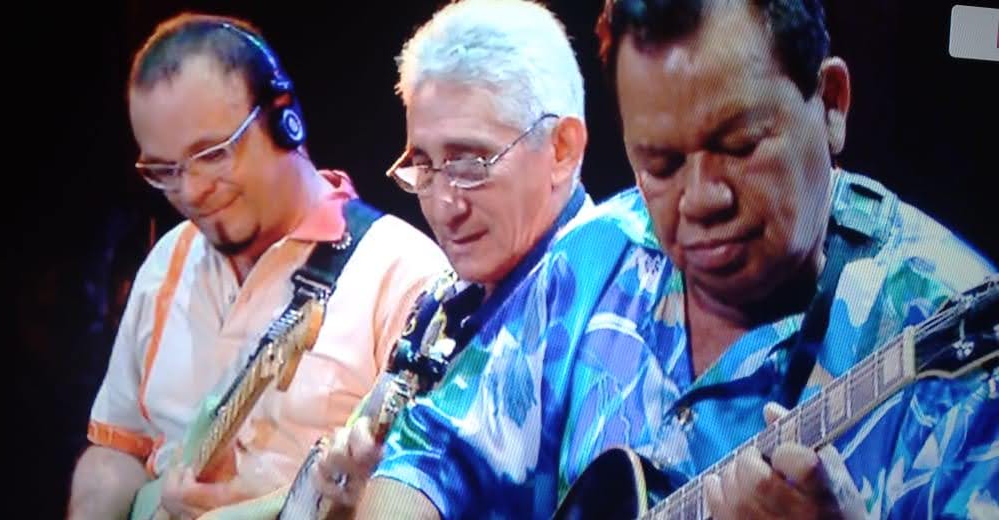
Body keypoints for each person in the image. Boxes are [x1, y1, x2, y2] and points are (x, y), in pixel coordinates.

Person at [355, 0, 999, 518]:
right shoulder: (601, 251)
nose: (700, 199)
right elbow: (430, 451)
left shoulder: (944, 324)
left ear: (830, 104)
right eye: (659, 165)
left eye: (740, 145)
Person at [65, 12, 449, 519]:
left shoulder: (404, 274)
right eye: (165, 170)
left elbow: (422, 493)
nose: (190, 191)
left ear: (284, 120)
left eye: (212, 154)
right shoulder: (169, 258)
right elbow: (117, 450)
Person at [278, 0, 598, 514]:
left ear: (562, 148)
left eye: (470, 164)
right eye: (424, 165)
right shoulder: (441, 302)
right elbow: (344, 470)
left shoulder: (614, 314)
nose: (444, 206)